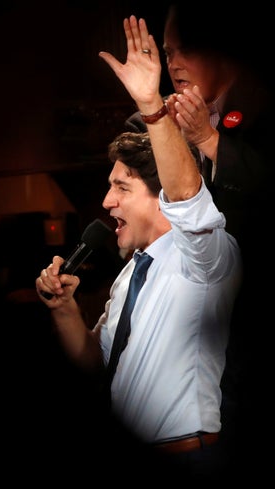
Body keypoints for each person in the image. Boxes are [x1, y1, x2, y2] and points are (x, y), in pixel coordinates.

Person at [36, 15, 243, 480]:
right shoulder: (132, 274)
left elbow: (189, 197)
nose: (107, 201)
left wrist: (151, 104)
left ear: (160, 196)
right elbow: (95, 363)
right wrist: (64, 308)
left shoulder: (203, 259)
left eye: (122, 187)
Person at [121, 3, 275, 474]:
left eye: (185, 48)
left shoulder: (264, 111)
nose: (174, 63)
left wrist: (208, 140)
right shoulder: (193, 118)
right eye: (168, 52)